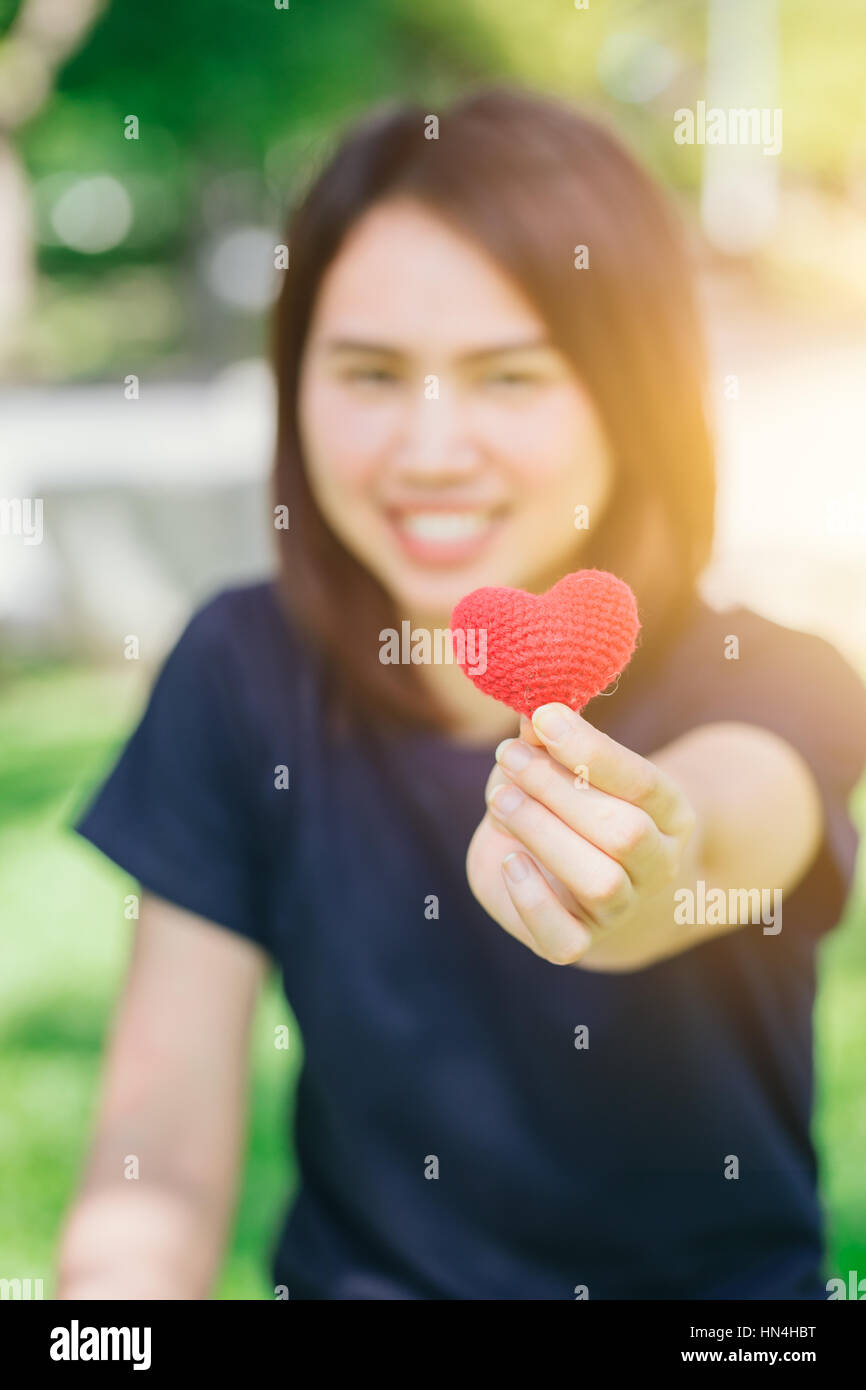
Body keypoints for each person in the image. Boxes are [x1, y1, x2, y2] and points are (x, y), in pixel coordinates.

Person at [59, 85, 866, 1301]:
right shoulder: (239, 672)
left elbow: (718, 825)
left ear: (629, 396)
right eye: (372, 373)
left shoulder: (779, 678)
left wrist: (640, 866)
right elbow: (153, 1169)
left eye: (508, 377)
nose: (431, 450)